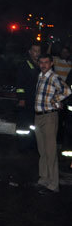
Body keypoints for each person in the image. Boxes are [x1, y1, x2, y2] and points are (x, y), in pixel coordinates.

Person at [33, 54, 71, 194]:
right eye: (41, 62)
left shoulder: (53, 77)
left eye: (46, 62)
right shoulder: (40, 76)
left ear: (51, 63)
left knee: (50, 151)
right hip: (39, 117)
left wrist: (54, 100)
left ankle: (53, 185)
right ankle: (44, 179)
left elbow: (67, 90)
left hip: (49, 117)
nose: (43, 65)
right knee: (42, 151)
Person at [15, 43, 41, 143]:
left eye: (38, 51)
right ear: (30, 52)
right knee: (24, 126)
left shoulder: (42, 65)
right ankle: (22, 145)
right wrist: (21, 98)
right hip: (27, 100)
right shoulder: (24, 65)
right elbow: (20, 84)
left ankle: (32, 143)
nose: (37, 53)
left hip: (38, 101)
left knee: (34, 125)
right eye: (34, 51)